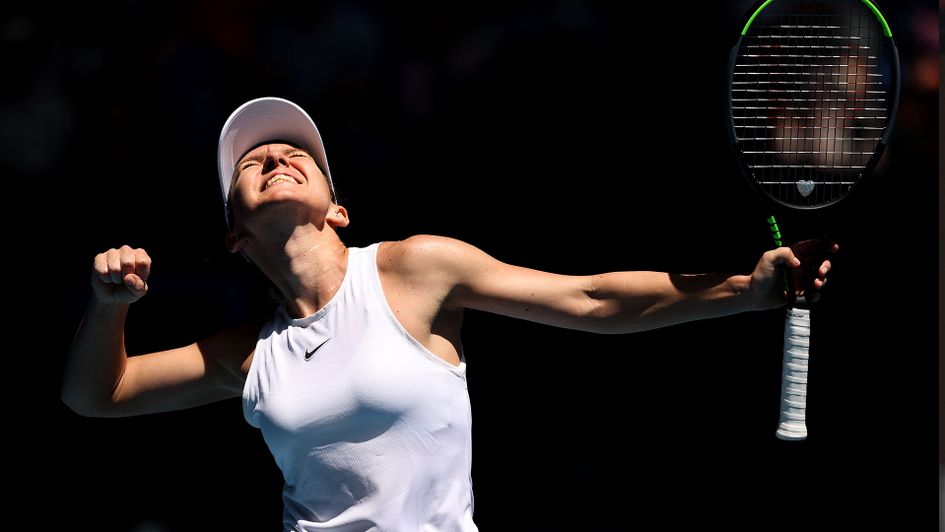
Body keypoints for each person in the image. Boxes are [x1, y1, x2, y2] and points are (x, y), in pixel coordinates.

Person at [62, 97, 836, 531]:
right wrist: (107, 308)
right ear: (234, 232)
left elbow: (590, 298)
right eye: (251, 162)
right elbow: (96, 394)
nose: (274, 156)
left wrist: (744, 289)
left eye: (296, 151)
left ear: (337, 209)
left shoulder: (412, 269)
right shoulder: (250, 356)